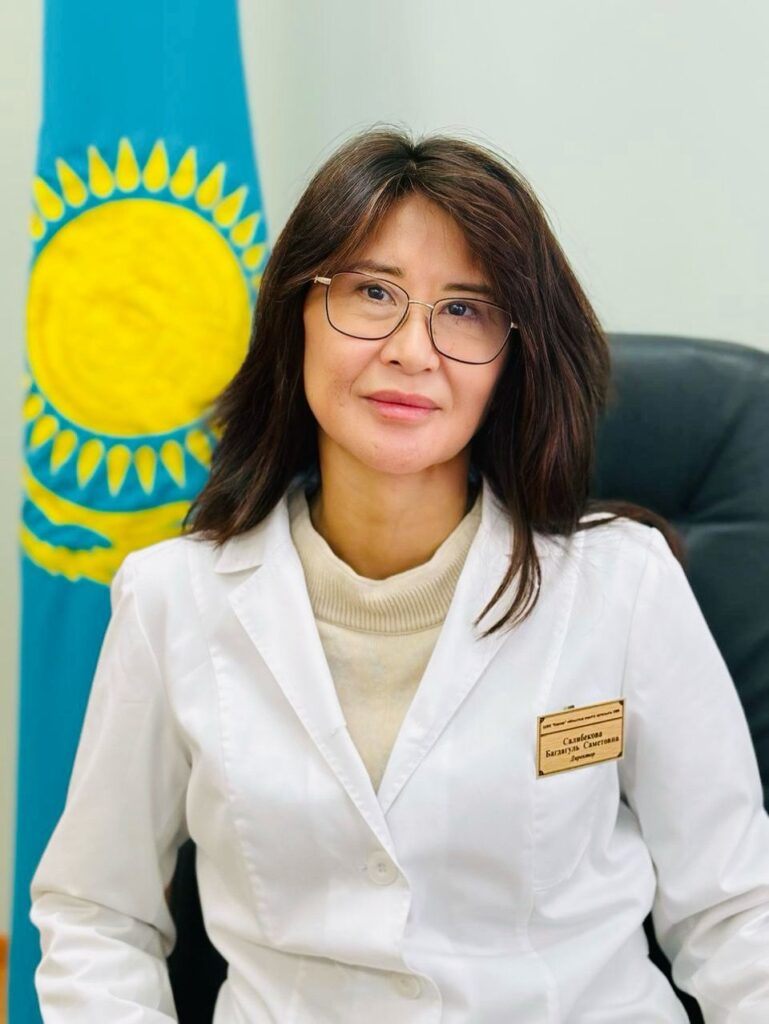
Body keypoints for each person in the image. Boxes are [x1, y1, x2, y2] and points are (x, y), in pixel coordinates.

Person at [29, 126, 769, 1023]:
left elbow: (737, 913)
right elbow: (97, 915)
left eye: (464, 309)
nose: (412, 350)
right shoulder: (172, 599)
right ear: (296, 317)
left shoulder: (622, 587)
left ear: (512, 356)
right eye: (373, 293)